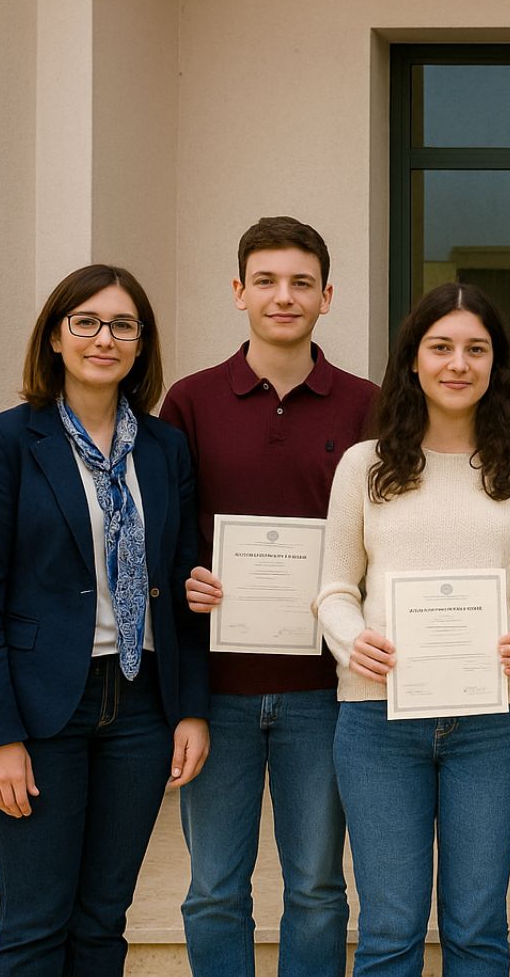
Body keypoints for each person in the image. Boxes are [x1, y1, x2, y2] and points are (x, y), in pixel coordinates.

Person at [0, 264, 209, 972]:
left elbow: (181, 582)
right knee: (36, 921)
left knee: (102, 922)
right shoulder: (2, 443)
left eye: (123, 325)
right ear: (56, 338)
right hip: (38, 714)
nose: (106, 338)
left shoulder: (164, 449)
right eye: (87, 322)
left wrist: (189, 709)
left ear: (141, 345)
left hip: (139, 709)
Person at [313, 282, 510, 974]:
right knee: (389, 929)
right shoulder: (365, 464)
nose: (458, 363)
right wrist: (353, 637)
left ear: (495, 364)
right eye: (441, 347)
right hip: (378, 716)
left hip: (495, 720)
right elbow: (332, 589)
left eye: (476, 349)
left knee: (477, 929)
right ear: (412, 360)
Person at [165, 216, 376, 976]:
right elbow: (167, 531)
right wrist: (188, 570)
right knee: (214, 889)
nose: (281, 296)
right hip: (216, 687)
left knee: (318, 886)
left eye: (299, 283)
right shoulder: (189, 401)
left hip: (326, 690)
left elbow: (378, 541)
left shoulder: (366, 405)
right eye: (265, 280)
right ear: (238, 291)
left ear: (327, 296)